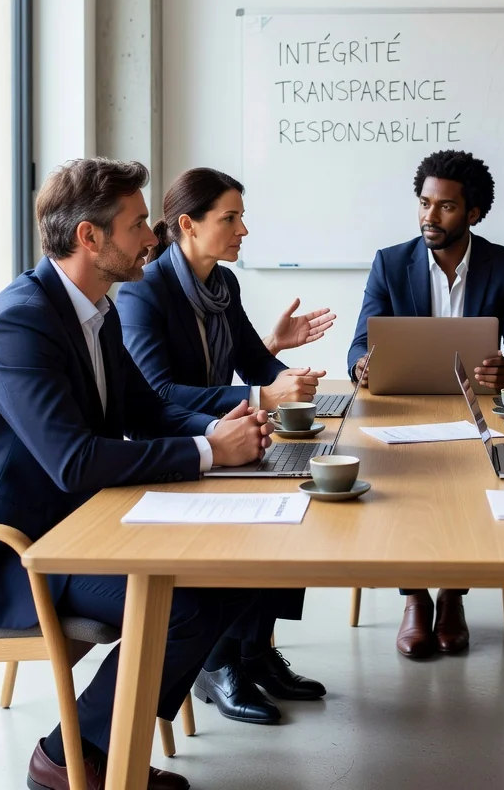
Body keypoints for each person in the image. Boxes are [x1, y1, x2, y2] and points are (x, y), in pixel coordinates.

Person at [0, 159, 279, 790]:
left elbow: (146, 409)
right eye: (140, 223)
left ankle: (105, 744)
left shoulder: (96, 310)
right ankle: (67, 756)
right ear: (90, 238)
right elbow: (74, 459)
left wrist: (227, 431)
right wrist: (207, 454)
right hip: (6, 549)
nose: (154, 235)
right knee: (185, 604)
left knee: (231, 574)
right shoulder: (18, 322)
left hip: (73, 524)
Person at [118, 167, 331, 725]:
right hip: (173, 447)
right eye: (230, 218)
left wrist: (290, 379)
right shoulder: (145, 291)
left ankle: (255, 651)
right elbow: (158, 390)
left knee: (297, 506)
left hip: (224, 434)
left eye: (241, 217)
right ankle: (218, 665)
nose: (243, 230)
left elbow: (253, 361)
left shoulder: (222, 285)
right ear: (187, 224)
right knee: (267, 513)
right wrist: (263, 393)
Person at [347, 149, 504, 660]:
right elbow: (358, 344)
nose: (430, 216)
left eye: (446, 207)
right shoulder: (391, 262)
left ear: (473, 213)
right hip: (404, 408)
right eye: (424, 203)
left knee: (475, 477)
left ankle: (453, 593)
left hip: (476, 408)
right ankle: (415, 598)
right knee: (399, 482)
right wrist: (364, 365)